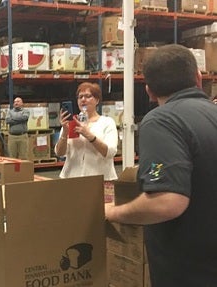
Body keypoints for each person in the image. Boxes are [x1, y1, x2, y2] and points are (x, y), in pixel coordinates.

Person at [105, 44, 217, 286]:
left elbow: (167, 201)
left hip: (190, 273)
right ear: (198, 78)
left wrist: (113, 212)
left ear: (149, 91)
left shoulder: (162, 120)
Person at [54, 82, 118, 182]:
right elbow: (60, 153)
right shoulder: (71, 122)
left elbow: (110, 152)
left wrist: (89, 135)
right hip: (72, 179)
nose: (83, 99)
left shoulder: (107, 122)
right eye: (80, 97)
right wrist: (64, 132)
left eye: (88, 96)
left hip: (101, 179)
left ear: (97, 100)